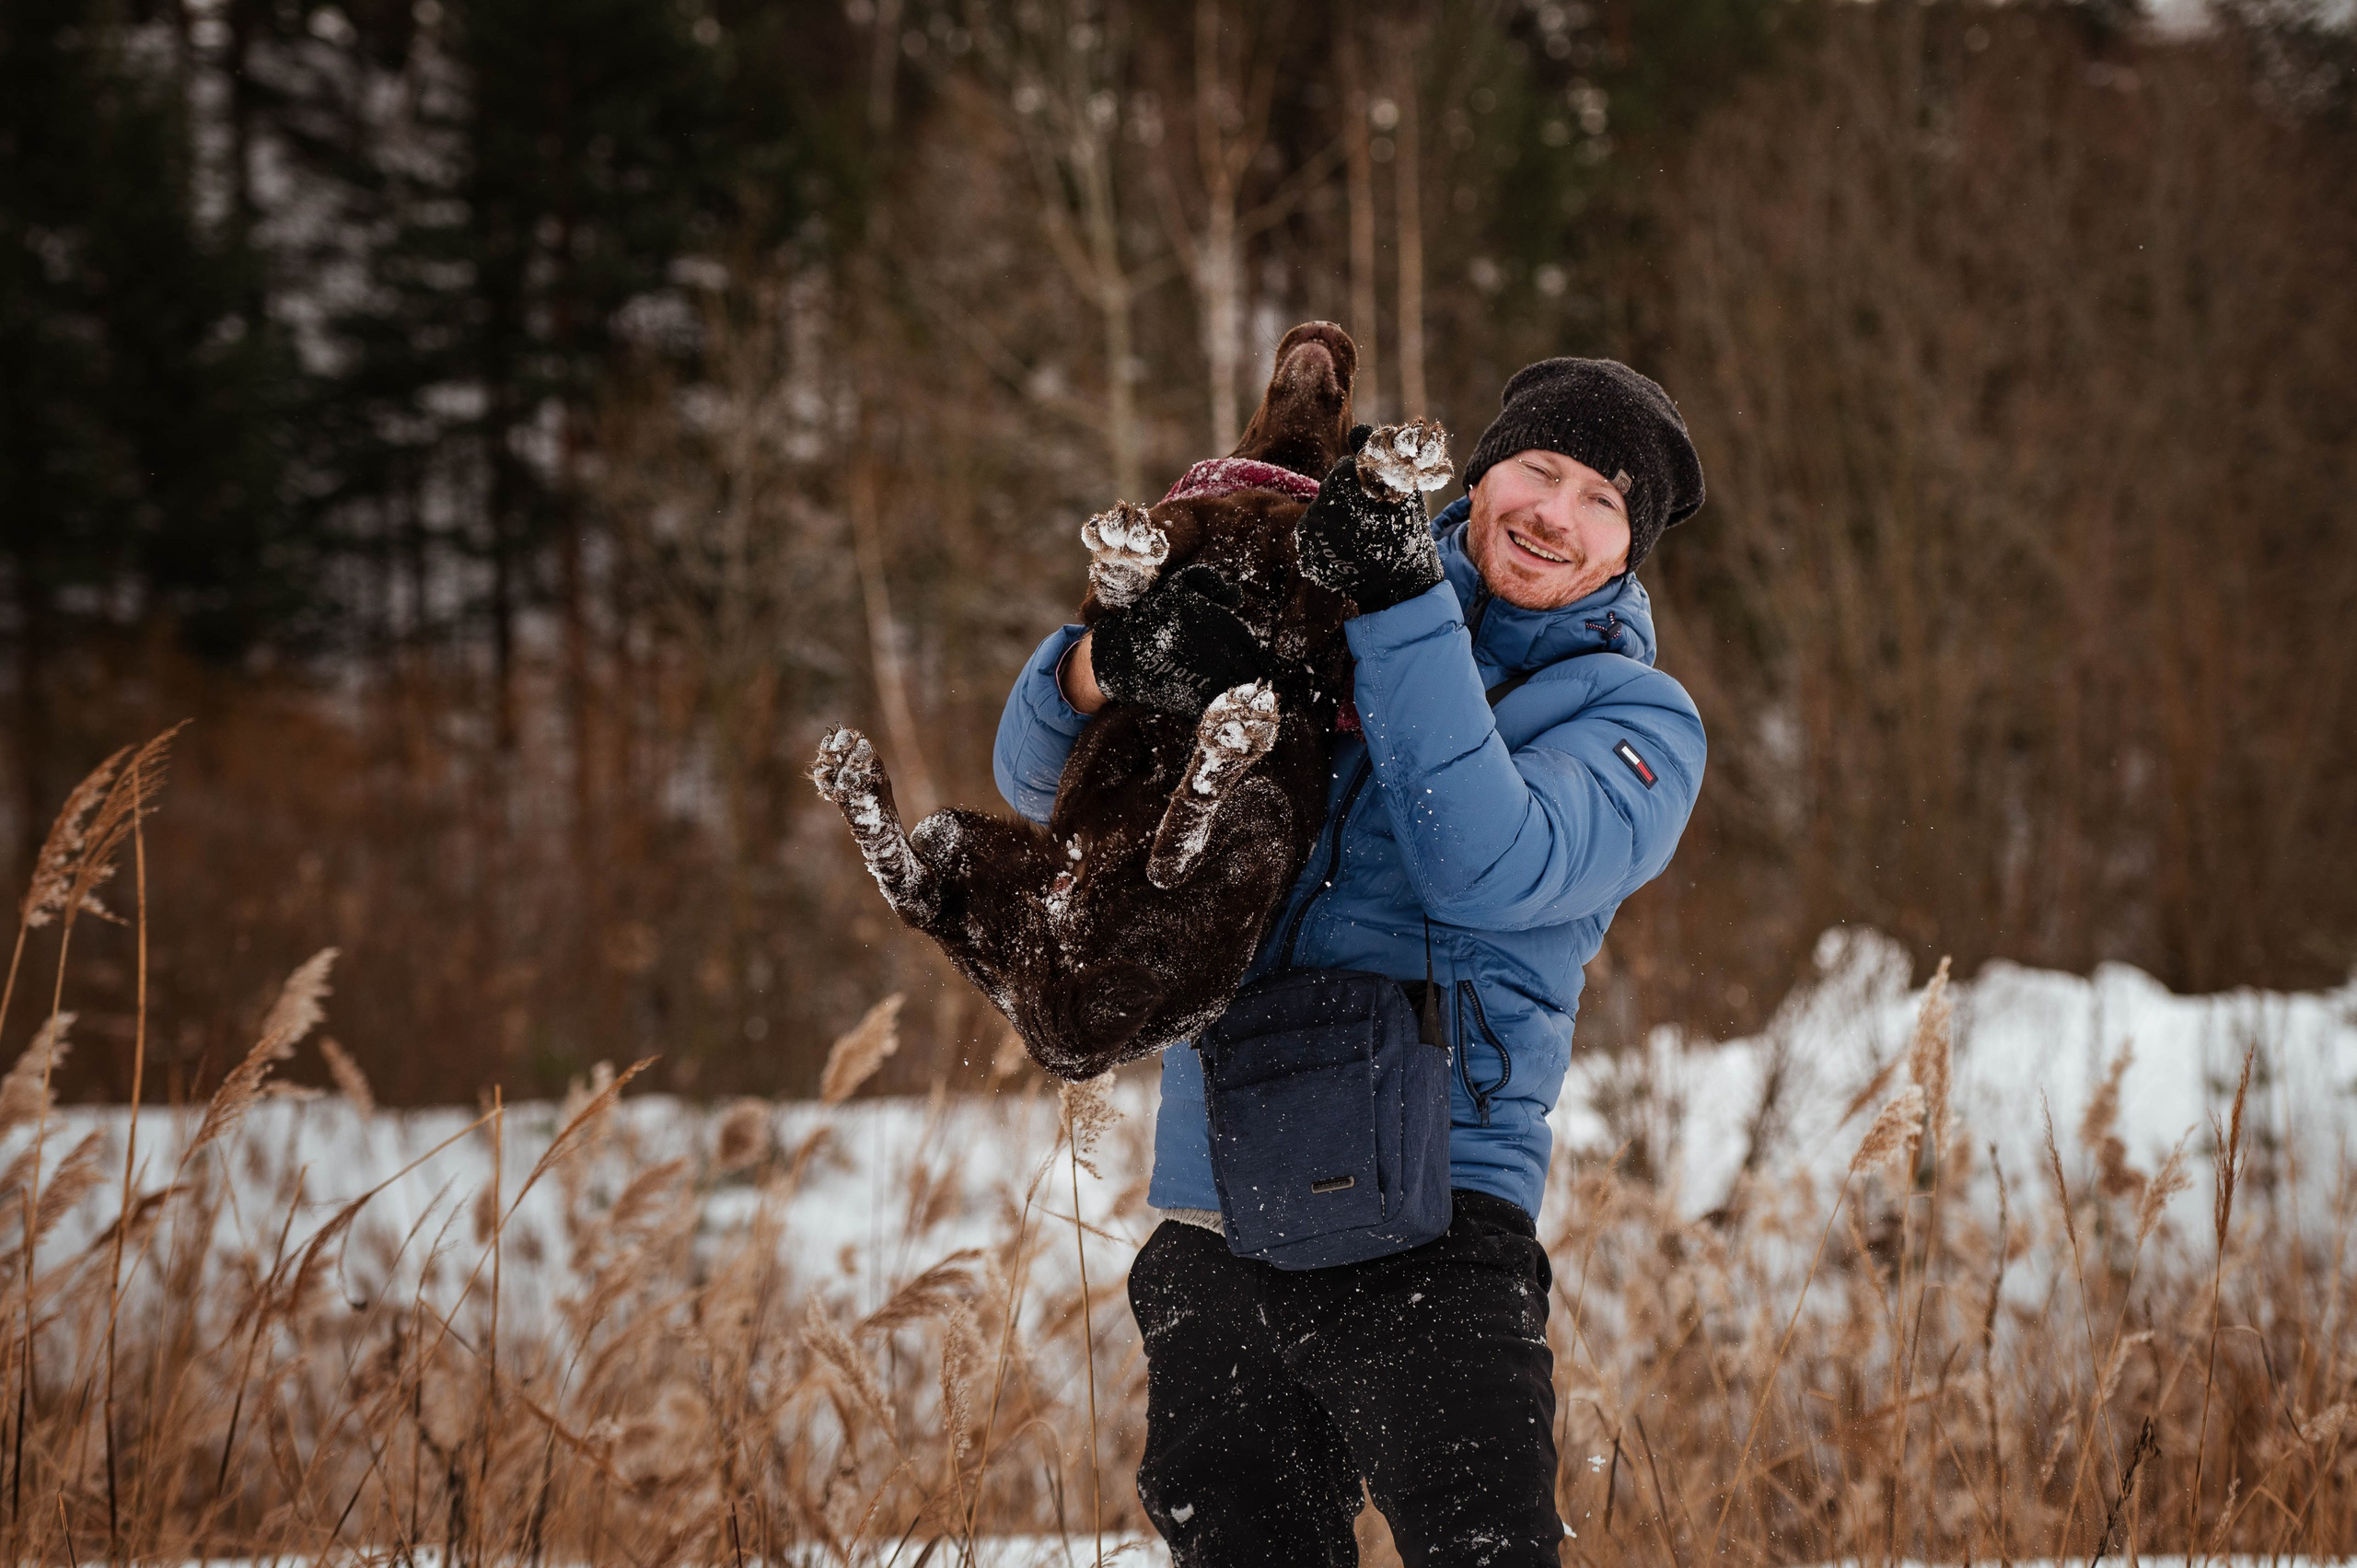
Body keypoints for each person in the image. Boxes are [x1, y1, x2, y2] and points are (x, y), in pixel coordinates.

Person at [992, 358, 1708, 1566]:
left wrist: (1401, 602)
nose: (1555, 512)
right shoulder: (1321, 604)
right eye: (1538, 470)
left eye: (1601, 500)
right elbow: (1047, 798)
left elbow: (1484, 863)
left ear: (1630, 547)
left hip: (1433, 1208)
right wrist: (1103, 669)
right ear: (1478, 480)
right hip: (1217, 1203)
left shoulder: (1635, 721)